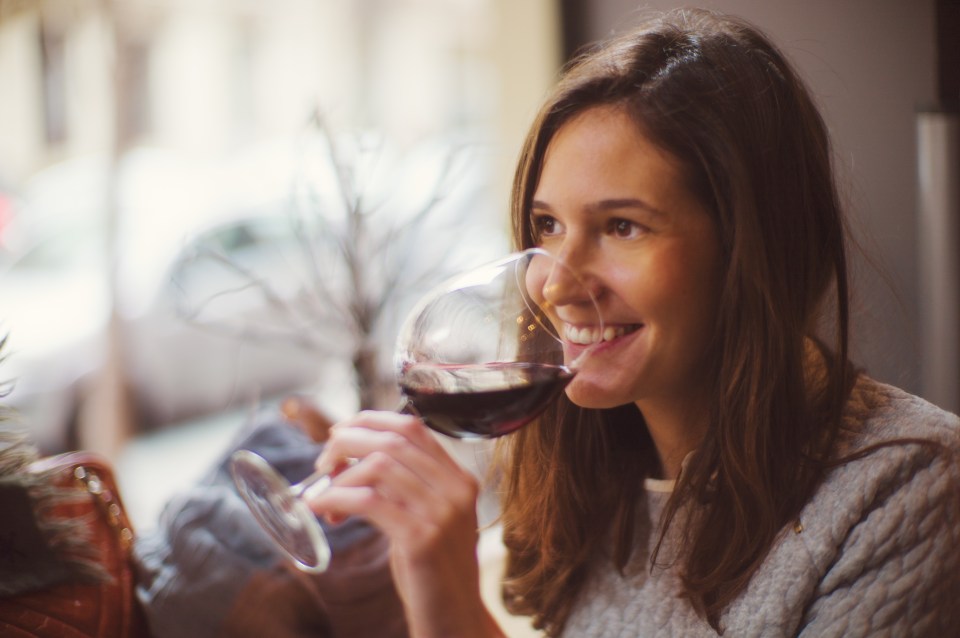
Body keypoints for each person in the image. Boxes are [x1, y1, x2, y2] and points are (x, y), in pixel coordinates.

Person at [306, 7, 960, 637]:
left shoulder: (911, 490)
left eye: (622, 227)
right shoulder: (588, 474)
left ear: (752, 249)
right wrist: (428, 579)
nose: (557, 283)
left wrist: (448, 609)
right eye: (548, 226)